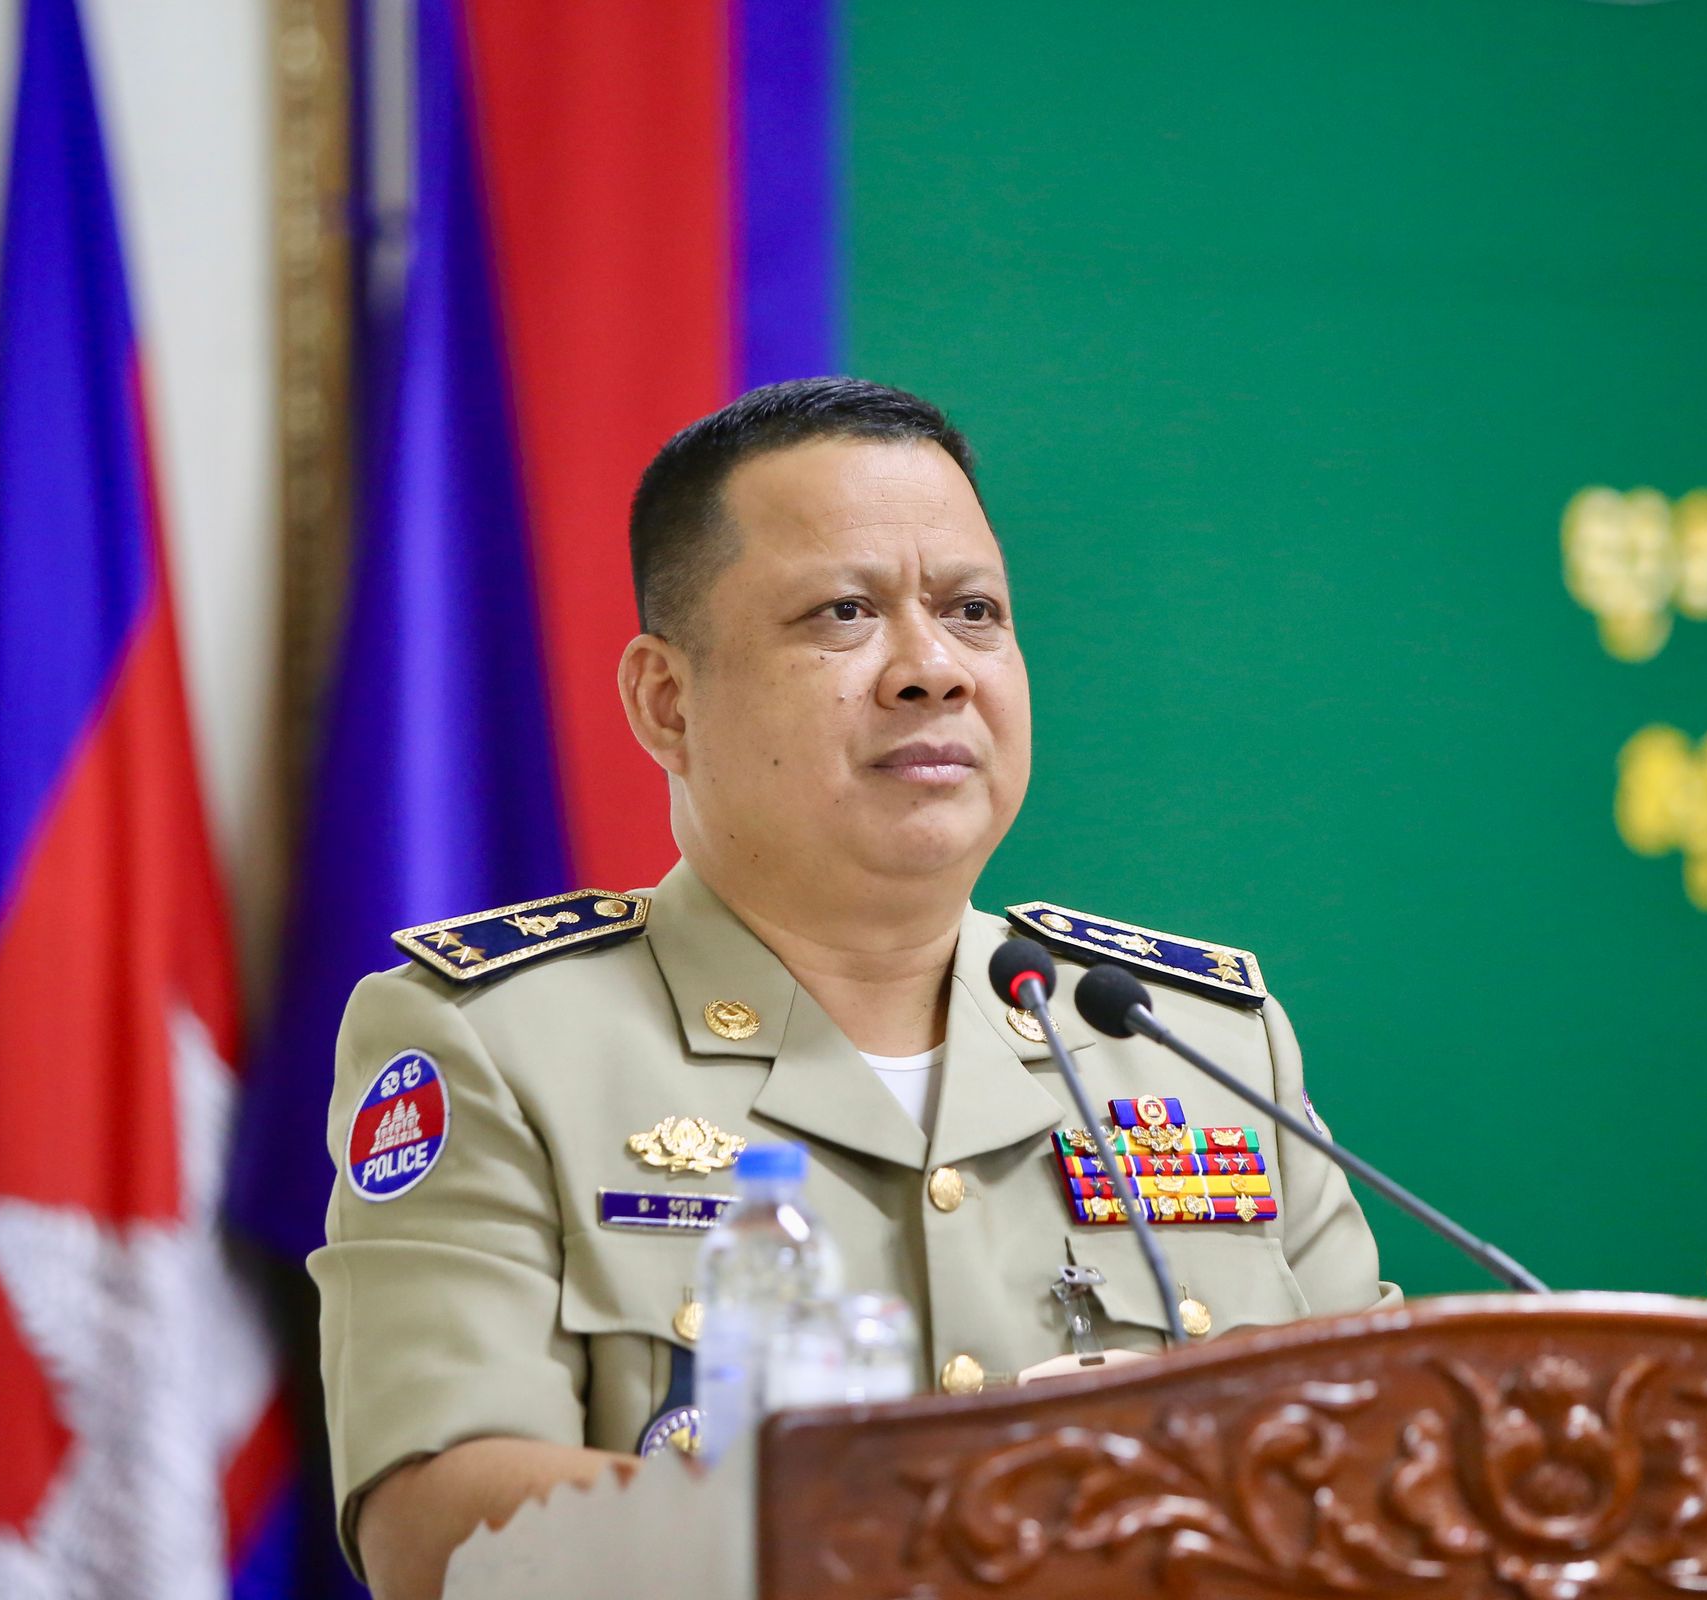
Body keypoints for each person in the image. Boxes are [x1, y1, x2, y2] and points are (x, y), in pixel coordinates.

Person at [312, 377, 1393, 1598]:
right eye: (844, 613)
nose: (932, 669)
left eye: (974, 611)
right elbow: (436, 1522)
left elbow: (1397, 1466)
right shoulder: (499, 1043)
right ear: (667, 702)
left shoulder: (1195, 1042)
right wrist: (932, 1540)